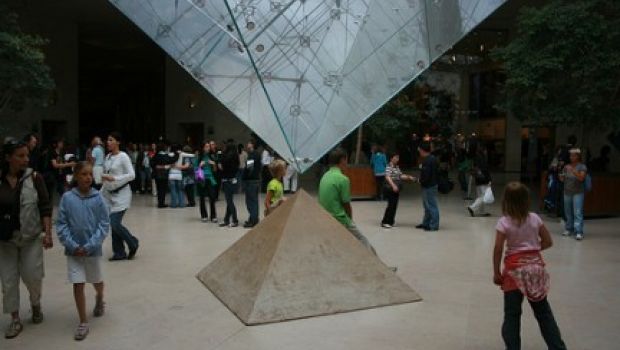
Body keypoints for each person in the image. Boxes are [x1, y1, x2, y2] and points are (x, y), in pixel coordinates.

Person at [493, 182, 567, 350]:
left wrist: (496, 273)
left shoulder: (504, 222)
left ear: (505, 201)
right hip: (535, 271)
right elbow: (548, 241)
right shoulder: (535, 218)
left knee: (512, 315)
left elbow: (498, 249)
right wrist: (532, 250)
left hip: (513, 272)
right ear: (527, 200)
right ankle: (558, 347)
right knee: (543, 313)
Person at [0, 139, 53, 339]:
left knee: (33, 276)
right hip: (5, 241)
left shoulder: (35, 178)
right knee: (8, 281)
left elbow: (45, 207)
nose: (25, 159)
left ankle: (35, 303)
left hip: (30, 238)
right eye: (20, 156)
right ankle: (14, 319)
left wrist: (47, 233)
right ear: (7, 158)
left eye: (26, 155)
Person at [55, 162, 109, 341]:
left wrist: (90, 245)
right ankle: (83, 321)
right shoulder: (67, 198)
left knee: (96, 280)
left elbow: (103, 224)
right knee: (78, 283)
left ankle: (100, 296)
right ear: (76, 176)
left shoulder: (98, 198)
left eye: (90, 174)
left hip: (92, 251)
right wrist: (71, 245)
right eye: (84, 174)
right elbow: (61, 224)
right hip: (74, 252)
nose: (88, 178)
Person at [319, 148, 377, 255]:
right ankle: (375, 265)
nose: (347, 162)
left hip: (325, 216)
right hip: (339, 218)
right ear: (342, 160)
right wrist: (350, 221)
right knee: (362, 239)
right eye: (346, 159)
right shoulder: (343, 179)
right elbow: (346, 204)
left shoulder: (325, 176)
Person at [101, 132, 139, 261]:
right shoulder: (107, 157)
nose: (108, 142)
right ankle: (119, 252)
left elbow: (132, 175)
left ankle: (133, 243)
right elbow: (106, 175)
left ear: (118, 142)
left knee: (115, 223)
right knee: (113, 224)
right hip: (108, 195)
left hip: (122, 195)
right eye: (107, 140)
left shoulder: (123, 157)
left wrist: (115, 178)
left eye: (111, 140)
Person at [381, 153, 415, 229]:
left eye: (398, 158)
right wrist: (393, 185)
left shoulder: (396, 167)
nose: (397, 159)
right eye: (395, 157)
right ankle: (385, 222)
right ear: (391, 158)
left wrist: (409, 177)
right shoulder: (389, 166)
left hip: (396, 189)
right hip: (391, 188)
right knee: (391, 205)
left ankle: (391, 221)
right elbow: (387, 177)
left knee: (394, 205)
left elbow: (400, 176)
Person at [559, 148, 587, 240]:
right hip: (567, 192)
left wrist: (574, 171)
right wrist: (561, 176)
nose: (571, 157)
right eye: (570, 155)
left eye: (574, 155)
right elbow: (563, 179)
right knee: (568, 212)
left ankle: (578, 231)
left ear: (578, 156)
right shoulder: (567, 166)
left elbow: (581, 178)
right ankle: (568, 229)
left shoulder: (582, 166)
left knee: (577, 212)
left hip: (578, 193)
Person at [416, 142, 440, 231]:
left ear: (422, 150)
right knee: (427, 205)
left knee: (431, 205)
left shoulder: (428, 160)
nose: (418, 151)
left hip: (429, 185)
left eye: (419, 150)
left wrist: (420, 180)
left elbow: (427, 175)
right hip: (429, 185)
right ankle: (426, 223)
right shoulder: (431, 159)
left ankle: (433, 225)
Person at [219, 142, 240, 227]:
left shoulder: (226, 158)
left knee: (229, 201)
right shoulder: (235, 157)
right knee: (229, 201)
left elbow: (221, 168)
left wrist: (220, 165)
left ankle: (235, 220)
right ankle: (226, 220)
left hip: (227, 181)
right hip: (233, 180)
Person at [195, 142, 218, 222]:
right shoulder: (198, 157)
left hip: (210, 179)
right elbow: (195, 170)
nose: (208, 148)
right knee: (202, 198)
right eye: (206, 146)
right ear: (203, 148)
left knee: (212, 197)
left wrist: (214, 164)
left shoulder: (211, 156)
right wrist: (200, 166)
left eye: (209, 146)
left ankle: (213, 216)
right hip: (201, 178)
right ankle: (204, 215)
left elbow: (215, 170)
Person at [468, 146, 492, 217]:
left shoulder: (476, 159)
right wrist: (489, 180)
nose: (486, 152)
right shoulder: (483, 159)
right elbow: (485, 171)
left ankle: (482, 211)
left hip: (478, 179)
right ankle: (472, 207)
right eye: (485, 150)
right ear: (483, 151)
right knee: (483, 196)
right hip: (484, 180)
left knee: (479, 196)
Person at [242, 140, 261, 228]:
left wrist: (245, 176)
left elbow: (249, 168)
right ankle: (253, 218)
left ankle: (253, 220)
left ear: (252, 145)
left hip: (251, 181)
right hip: (255, 180)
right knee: (254, 201)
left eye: (249, 143)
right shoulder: (256, 154)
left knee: (250, 201)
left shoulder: (253, 155)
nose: (247, 145)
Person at [151, 142, 173, 208]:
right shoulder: (166, 156)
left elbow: (152, 164)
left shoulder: (155, 155)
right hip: (164, 174)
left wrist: (158, 167)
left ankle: (160, 203)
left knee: (159, 189)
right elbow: (171, 161)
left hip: (157, 174)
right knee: (163, 189)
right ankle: (162, 203)